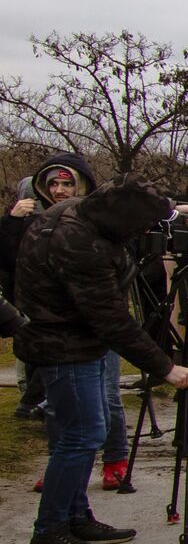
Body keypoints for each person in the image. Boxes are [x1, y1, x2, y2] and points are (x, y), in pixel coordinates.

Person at [14, 175, 188, 544]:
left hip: (75, 341)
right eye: (142, 226)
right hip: (65, 347)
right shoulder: (80, 243)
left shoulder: (81, 215)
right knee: (83, 434)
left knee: (80, 434)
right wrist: (165, 367)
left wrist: (174, 210)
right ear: (123, 221)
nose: (143, 232)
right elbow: (110, 320)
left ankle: (75, 516)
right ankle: (48, 533)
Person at [1, 154, 99, 421]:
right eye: (53, 184)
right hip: (32, 304)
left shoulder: (92, 217)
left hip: (77, 304)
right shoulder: (30, 218)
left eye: (66, 184)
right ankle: (35, 403)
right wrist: (11, 220)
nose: (59, 190)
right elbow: (8, 258)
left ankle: (42, 405)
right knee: (36, 359)